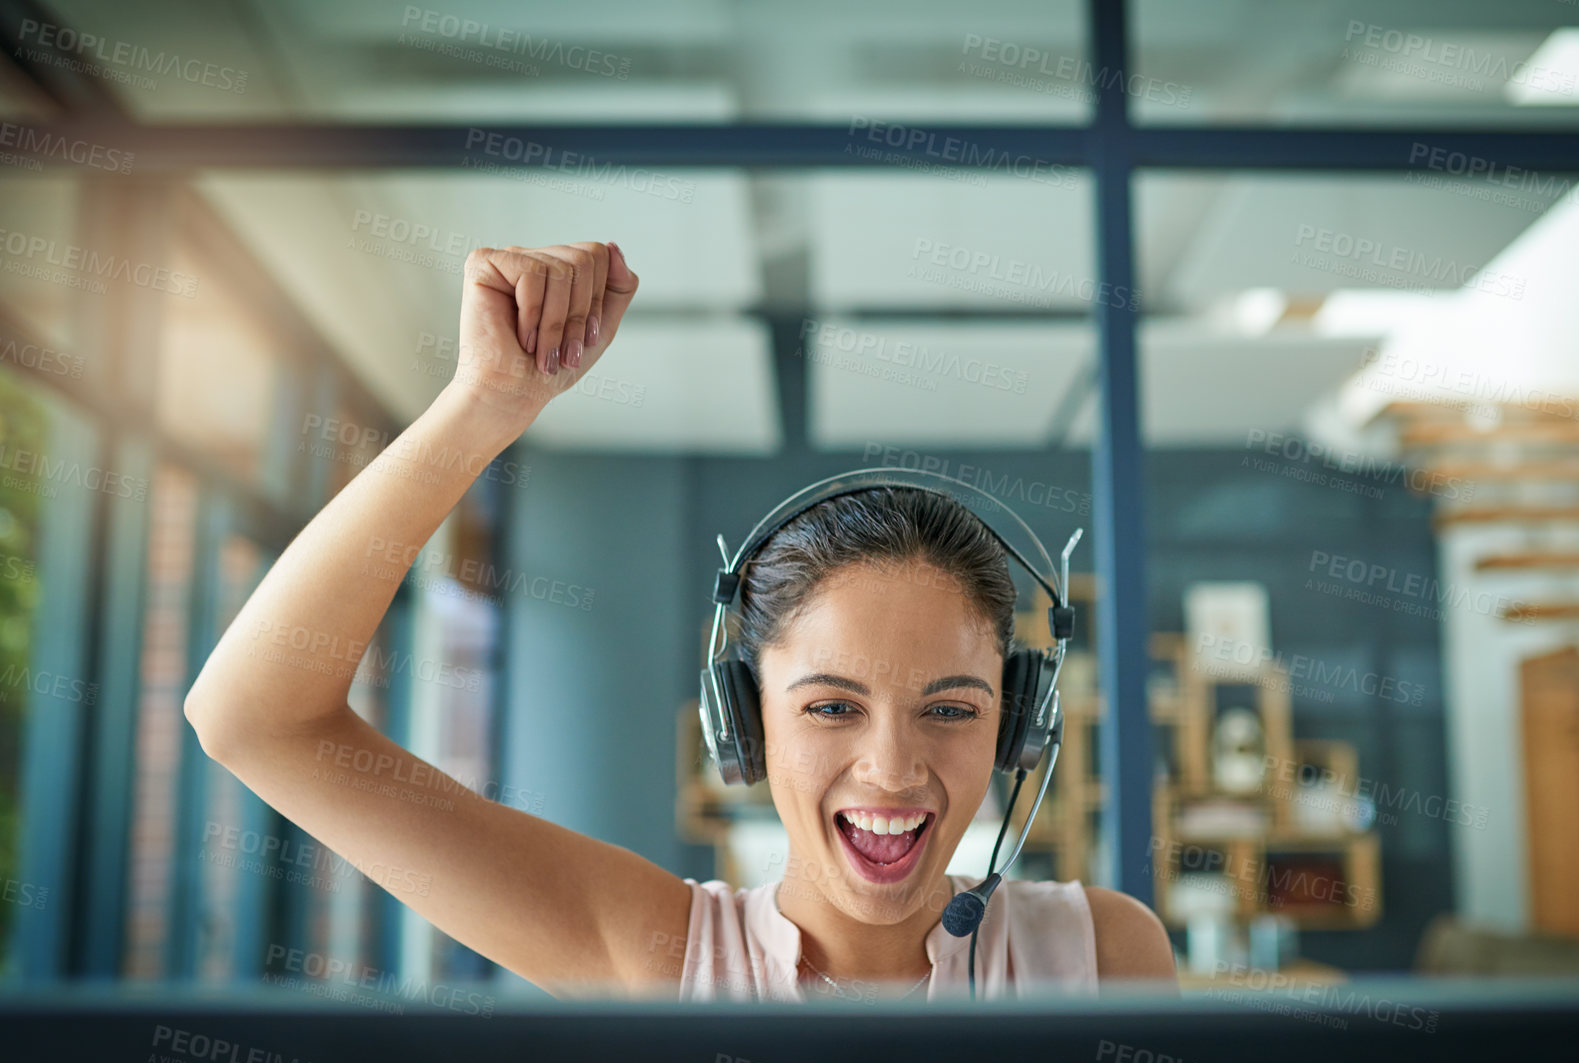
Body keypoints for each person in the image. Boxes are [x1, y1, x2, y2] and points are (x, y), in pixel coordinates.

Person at [184, 241, 1177, 1004]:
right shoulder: (660, 954)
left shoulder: (1103, 952)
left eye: (952, 710)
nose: (893, 768)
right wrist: (480, 405)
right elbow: (255, 720)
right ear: (742, 721)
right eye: (832, 706)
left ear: (1018, 726)